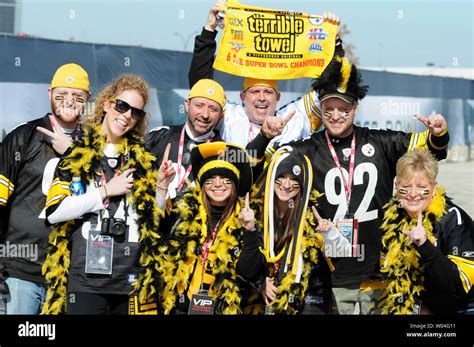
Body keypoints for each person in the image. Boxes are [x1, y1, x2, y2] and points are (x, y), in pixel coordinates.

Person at [267, 56, 450, 314]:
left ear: (355, 109)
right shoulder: (308, 147)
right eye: (328, 108)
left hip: (377, 272)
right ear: (321, 109)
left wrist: (438, 134)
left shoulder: (379, 142)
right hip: (326, 275)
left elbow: (432, 152)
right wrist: (268, 134)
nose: (335, 115)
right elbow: (269, 165)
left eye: (343, 109)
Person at [41, 75, 162, 314]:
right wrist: (106, 190)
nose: (127, 115)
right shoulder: (76, 155)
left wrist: (162, 189)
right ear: (107, 103)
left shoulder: (144, 161)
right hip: (86, 281)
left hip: (132, 281)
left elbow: (153, 221)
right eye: (122, 106)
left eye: (135, 112)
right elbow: (54, 213)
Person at [189, 1, 343, 149]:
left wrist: (334, 42)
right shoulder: (230, 116)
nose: (261, 98)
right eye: (255, 91)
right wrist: (209, 30)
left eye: (268, 92)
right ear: (243, 97)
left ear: (277, 97)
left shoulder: (295, 117)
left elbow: (331, 88)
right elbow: (201, 87)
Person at [0, 63, 91, 314]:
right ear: (49, 94)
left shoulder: (95, 144)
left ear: (88, 100)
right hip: (20, 269)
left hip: (70, 275)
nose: (69, 101)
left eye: (78, 96)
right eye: (62, 95)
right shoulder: (23, 136)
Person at [136, 142, 264, 314]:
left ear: (234, 185)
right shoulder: (184, 210)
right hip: (179, 307)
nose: (218, 184)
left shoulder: (246, 218)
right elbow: (154, 229)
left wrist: (249, 231)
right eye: (210, 179)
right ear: (203, 185)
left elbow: (249, 272)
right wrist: (161, 187)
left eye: (226, 179)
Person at [242, 149, 350, 314]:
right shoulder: (256, 214)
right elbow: (246, 267)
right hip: (268, 297)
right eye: (282, 177)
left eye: (294, 180)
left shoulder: (313, 213)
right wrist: (260, 282)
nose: (286, 185)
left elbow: (343, 252)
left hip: (311, 298)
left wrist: (330, 235)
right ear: (272, 179)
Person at [379, 149, 473, 315]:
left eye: (422, 188)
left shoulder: (454, 220)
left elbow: (459, 286)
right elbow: (390, 275)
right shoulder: (392, 218)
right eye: (406, 187)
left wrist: (424, 245)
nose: (413, 194)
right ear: (397, 186)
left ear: (433, 188)